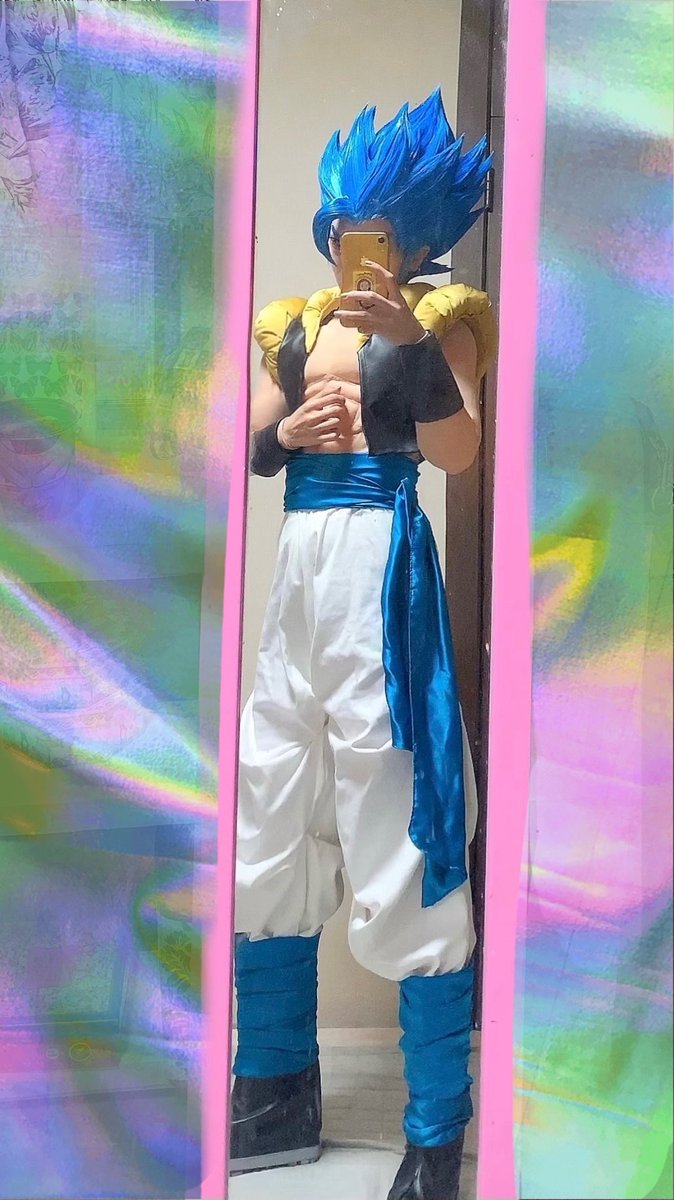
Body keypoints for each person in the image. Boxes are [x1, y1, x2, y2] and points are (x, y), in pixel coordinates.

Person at [230, 88, 496, 1200]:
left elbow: (459, 450)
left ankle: (434, 1128)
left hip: (382, 564)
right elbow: (252, 444)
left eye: (376, 224)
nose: (355, 239)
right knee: (269, 799)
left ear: (415, 234)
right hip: (297, 573)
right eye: (346, 220)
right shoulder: (293, 324)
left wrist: (411, 343)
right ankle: (273, 1087)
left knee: (400, 803)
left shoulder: (440, 319)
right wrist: (284, 432)